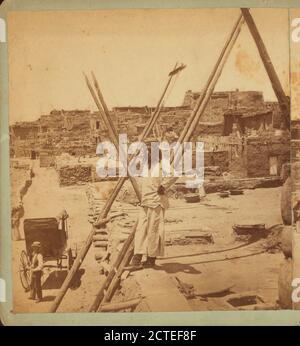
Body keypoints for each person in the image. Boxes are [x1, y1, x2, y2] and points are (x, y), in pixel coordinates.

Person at [132, 150, 176, 268]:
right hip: (145, 202)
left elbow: (175, 174)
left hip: (156, 203)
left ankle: (151, 258)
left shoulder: (162, 165)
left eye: (150, 154)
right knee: (140, 229)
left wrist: (163, 186)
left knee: (154, 231)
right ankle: (138, 255)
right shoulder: (147, 167)